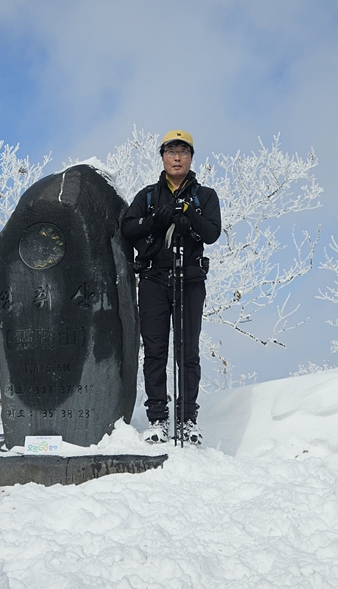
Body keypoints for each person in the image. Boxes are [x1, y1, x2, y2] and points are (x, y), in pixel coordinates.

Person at [121, 130, 221, 445]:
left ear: (191, 157)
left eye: (183, 152)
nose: (177, 158)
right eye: (171, 151)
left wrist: (189, 216)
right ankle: (158, 418)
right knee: (154, 351)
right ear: (162, 157)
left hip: (190, 281)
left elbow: (212, 233)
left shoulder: (205, 196)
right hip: (154, 280)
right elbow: (127, 228)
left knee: (187, 351)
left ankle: (187, 418)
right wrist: (155, 220)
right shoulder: (148, 196)